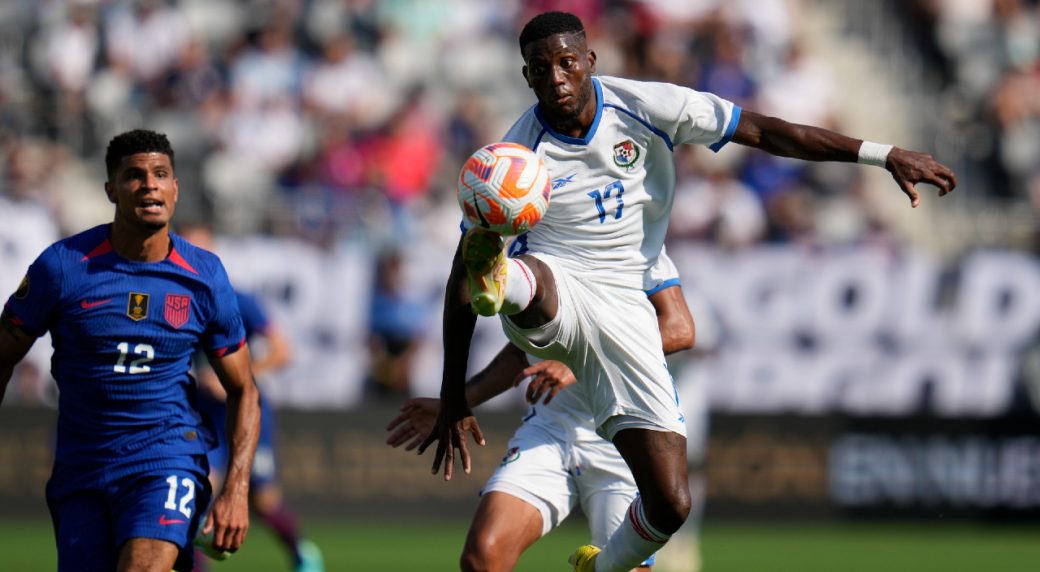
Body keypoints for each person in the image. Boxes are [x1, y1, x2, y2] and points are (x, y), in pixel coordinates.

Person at [421, 11, 958, 572]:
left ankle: (598, 568)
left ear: (590, 62)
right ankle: (504, 279)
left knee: (672, 505)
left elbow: (768, 132)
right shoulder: (516, 157)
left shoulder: (648, 110)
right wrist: (454, 391)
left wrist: (882, 153)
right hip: (559, 300)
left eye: (566, 62)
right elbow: (459, 279)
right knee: (538, 285)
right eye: (540, 68)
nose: (556, 77)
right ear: (526, 77)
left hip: (626, 315)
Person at [0, 129, 261, 572]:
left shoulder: (204, 275)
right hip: (83, 467)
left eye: (161, 174)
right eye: (134, 176)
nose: (149, 185)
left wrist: (236, 489)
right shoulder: (62, 266)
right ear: (110, 190)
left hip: (166, 457)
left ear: (176, 189)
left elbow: (244, 389)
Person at [389, 253, 694, 572]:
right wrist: (457, 401)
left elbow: (680, 327)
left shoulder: (633, 240)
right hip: (551, 428)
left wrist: (577, 364)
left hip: (621, 435)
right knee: (483, 556)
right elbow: (523, 351)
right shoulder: (534, 241)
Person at [179, 223, 325, 572]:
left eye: (202, 252)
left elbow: (282, 352)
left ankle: (300, 553)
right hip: (201, 417)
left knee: (262, 502)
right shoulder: (175, 302)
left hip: (244, 410)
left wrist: (236, 376)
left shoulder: (237, 299)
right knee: (196, 496)